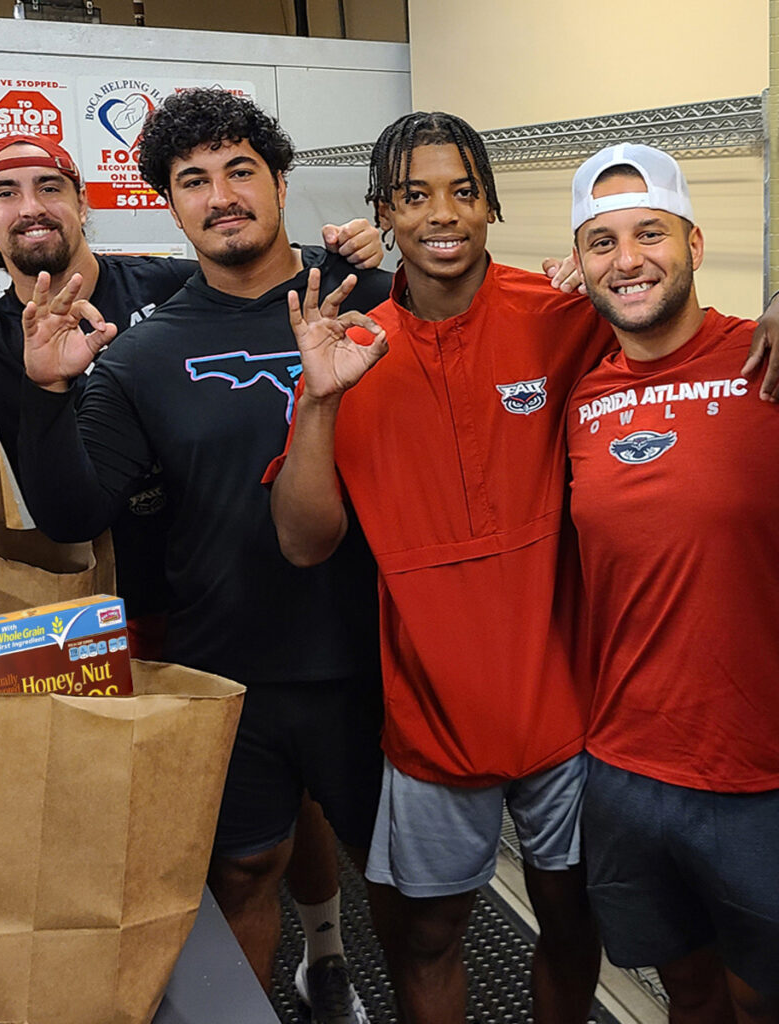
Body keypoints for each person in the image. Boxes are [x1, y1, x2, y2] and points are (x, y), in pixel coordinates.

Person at [0, 129, 384, 1023]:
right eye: (4, 192)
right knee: (210, 842)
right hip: (125, 620)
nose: (30, 206)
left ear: (83, 200)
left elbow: (275, 287)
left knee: (307, 806)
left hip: (268, 590)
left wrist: (351, 250)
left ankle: (325, 952)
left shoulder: (169, 286)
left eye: (49, 184)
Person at [13, 90, 393, 1024]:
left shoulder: (375, 300)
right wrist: (51, 396)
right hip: (229, 671)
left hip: (381, 663)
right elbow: (72, 513)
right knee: (244, 869)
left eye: (240, 171)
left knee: (407, 886)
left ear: (278, 182)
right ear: (170, 206)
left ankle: (337, 966)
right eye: (194, 180)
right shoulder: (145, 356)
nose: (221, 195)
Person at [267, 110, 611, 1024]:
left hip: (564, 705)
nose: (442, 215)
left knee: (575, 924)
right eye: (415, 196)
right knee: (426, 939)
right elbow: (304, 541)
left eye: (463, 191)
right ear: (385, 212)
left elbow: (680, 331)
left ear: (492, 205)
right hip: (430, 719)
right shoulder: (348, 354)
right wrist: (320, 407)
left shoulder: (562, 320)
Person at [567, 143, 779, 1024]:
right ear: (579, 265)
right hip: (624, 768)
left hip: (759, 774)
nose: (628, 260)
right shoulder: (579, 398)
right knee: (685, 992)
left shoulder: (765, 362)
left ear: (694, 241)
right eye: (602, 241)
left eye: (650, 233)